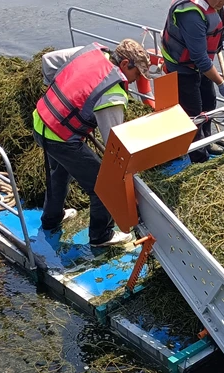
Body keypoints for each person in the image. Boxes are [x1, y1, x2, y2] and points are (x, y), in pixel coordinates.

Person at [32, 39, 154, 247]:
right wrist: (125, 177)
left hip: (41, 119)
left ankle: (52, 219)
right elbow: (114, 147)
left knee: (59, 174)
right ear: (125, 64)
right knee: (103, 185)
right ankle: (101, 236)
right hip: (61, 138)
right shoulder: (113, 94)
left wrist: (60, 95)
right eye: (137, 74)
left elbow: (48, 60)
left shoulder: (91, 52)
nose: (136, 80)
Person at [161, 0, 224, 163]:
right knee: (194, 113)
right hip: (182, 68)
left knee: (209, 103)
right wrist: (221, 83)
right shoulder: (191, 14)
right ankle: (198, 158)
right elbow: (200, 59)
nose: (223, 2)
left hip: (200, 64)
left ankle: (208, 142)